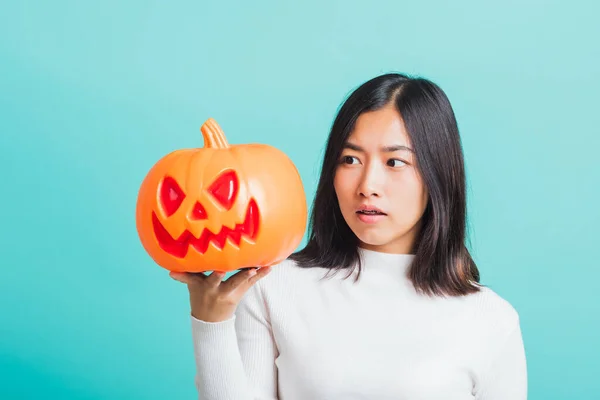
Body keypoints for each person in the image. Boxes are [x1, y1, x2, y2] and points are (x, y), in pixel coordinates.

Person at [169, 73, 528, 399]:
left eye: (395, 162)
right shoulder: (271, 286)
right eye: (350, 160)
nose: (367, 186)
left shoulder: (491, 320)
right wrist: (211, 321)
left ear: (438, 175)